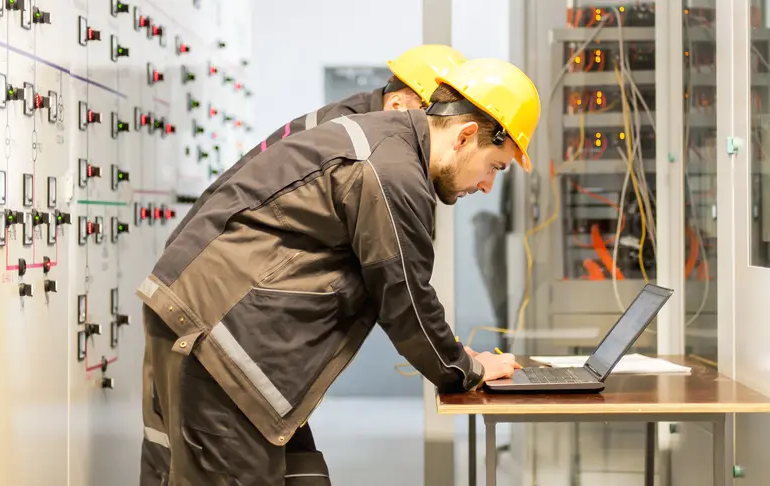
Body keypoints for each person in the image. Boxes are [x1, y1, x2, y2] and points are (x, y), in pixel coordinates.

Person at [136, 58, 540, 485]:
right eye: (495, 166)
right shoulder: (392, 171)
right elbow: (405, 298)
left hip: (223, 331)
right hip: (216, 339)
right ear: (465, 135)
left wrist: (457, 357)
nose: (487, 186)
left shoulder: (387, 144)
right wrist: (465, 369)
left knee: (303, 477)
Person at [166, 44, 468, 247]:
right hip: (208, 275)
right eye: (434, 120)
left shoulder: (363, 131)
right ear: (398, 105)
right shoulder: (352, 144)